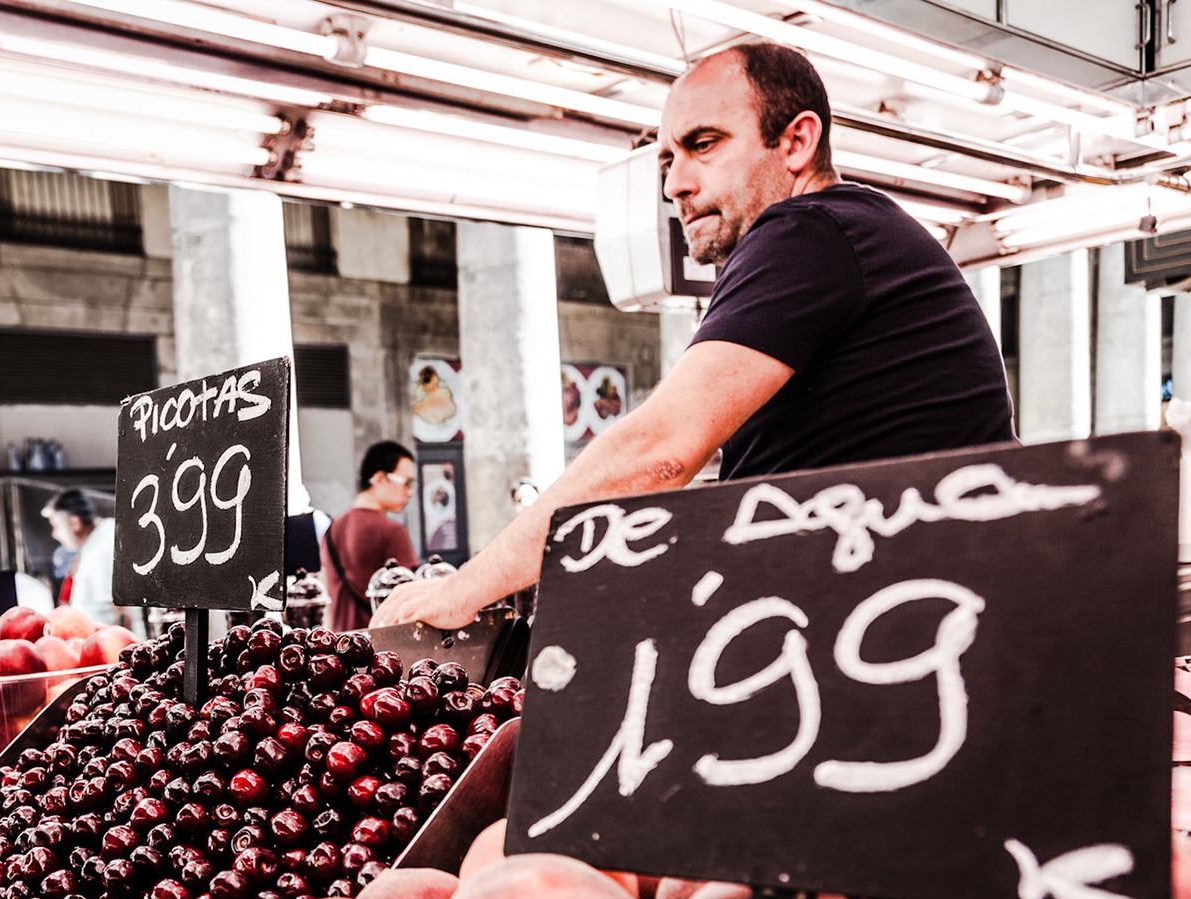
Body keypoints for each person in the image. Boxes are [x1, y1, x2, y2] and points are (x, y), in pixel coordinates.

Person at [373, 42, 1014, 629]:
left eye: (703, 144)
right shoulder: (851, 234)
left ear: (796, 142)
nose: (675, 183)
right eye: (667, 159)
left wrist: (463, 591)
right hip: (928, 610)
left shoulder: (809, 231)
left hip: (917, 624)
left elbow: (660, 448)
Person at [323, 441, 419, 632]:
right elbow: (411, 598)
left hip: (341, 643)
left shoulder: (332, 529)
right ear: (379, 479)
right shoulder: (391, 531)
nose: (410, 492)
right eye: (406, 482)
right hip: (382, 645)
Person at [42, 489, 119, 628]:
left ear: (75, 523)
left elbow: (120, 609)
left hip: (110, 643)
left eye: (56, 527)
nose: (55, 534)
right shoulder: (98, 540)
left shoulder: (102, 550)